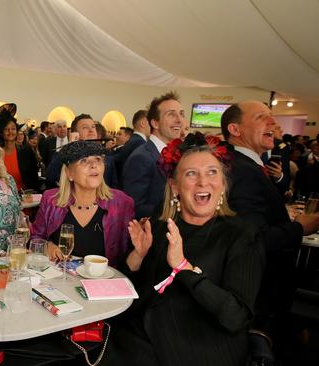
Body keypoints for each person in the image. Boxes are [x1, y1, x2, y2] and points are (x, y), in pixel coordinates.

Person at [110, 133, 265, 366]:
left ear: (223, 184)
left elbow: (235, 316)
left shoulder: (242, 236)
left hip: (197, 347)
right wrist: (137, 256)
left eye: (212, 172)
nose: (203, 182)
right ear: (174, 187)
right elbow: (128, 289)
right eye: (192, 174)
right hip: (140, 334)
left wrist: (184, 268)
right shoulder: (160, 226)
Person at [220, 101, 319, 352]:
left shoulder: (249, 165)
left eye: (272, 118)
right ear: (235, 129)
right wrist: (299, 228)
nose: (273, 123)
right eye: (262, 117)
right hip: (258, 294)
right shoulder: (243, 170)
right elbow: (252, 240)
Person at [31, 141, 133, 266]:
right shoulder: (51, 199)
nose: (94, 165)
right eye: (84, 161)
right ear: (69, 173)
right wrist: (47, 246)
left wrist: (139, 252)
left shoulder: (122, 203)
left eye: (98, 159)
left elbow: (128, 256)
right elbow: (35, 237)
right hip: (60, 279)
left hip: (102, 282)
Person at [123, 91, 186, 218]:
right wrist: (181, 207)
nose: (179, 120)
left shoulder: (180, 154)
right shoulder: (141, 157)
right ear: (155, 123)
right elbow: (134, 207)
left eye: (181, 114)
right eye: (171, 114)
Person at [0, 103, 39, 191]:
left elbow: (34, 176)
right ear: (1, 133)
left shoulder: (26, 151)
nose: (10, 132)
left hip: (25, 198)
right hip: (4, 198)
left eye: (13, 129)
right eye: (6, 129)